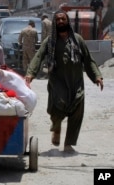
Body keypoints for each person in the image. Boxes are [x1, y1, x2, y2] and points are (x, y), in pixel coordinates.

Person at [25, 10, 104, 153]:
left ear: (67, 21)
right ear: (55, 23)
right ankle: (56, 128)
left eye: (63, 19)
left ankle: (69, 144)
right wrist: (30, 74)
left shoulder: (78, 39)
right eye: (58, 20)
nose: (61, 21)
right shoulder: (50, 41)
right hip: (58, 82)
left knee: (77, 112)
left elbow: (88, 59)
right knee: (56, 108)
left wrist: (97, 76)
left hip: (76, 82)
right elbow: (38, 56)